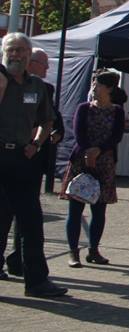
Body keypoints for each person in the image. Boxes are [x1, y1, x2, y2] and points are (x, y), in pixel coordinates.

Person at [0, 32, 67, 297]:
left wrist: (36, 143)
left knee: (31, 220)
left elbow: (48, 120)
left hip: (21, 158)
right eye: (11, 49)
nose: (16, 54)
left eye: (21, 50)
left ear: (29, 55)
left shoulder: (36, 86)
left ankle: (37, 281)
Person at [60, 69, 124, 267]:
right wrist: (89, 152)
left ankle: (94, 250)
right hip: (81, 161)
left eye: (98, 85)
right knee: (76, 209)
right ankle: (73, 252)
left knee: (99, 210)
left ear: (110, 88)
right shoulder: (84, 108)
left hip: (104, 162)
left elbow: (116, 136)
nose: (94, 88)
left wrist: (99, 150)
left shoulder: (117, 111)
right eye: (93, 84)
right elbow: (78, 133)